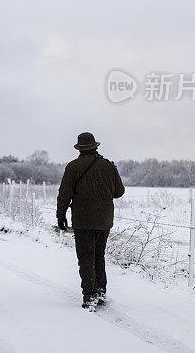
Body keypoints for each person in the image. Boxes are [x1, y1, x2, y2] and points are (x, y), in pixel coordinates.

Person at [56, 132, 125, 309]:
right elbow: (119, 192)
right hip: (104, 220)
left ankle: (89, 296)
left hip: (83, 219)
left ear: (79, 148)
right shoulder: (109, 166)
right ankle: (101, 291)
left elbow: (64, 194)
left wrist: (61, 215)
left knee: (86, 257)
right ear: (95, 147)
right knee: (99, 255)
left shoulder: (73, 167)